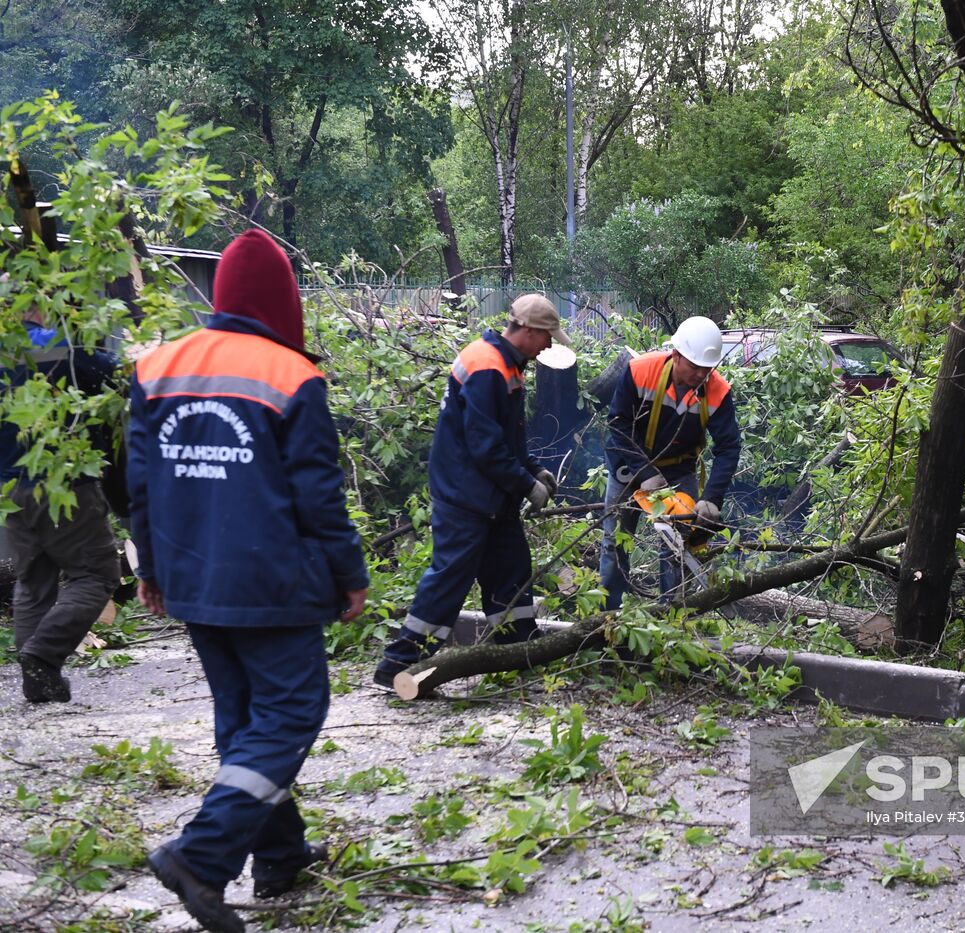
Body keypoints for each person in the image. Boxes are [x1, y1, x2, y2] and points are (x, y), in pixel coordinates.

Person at [129, 229, 369, 933]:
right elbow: (319, 498)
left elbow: (139, 484)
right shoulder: (291, 376)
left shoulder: (155, 367)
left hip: (192, 579)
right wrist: (349, 576)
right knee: (291, 714)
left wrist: (151, 567)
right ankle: (201, 858)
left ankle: (280, 855)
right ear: (284, 302)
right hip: (273, 585)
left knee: (243, 720)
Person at [373, 294, 568, 689]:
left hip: (491, 494)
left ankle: (519, 648)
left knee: (511, 570)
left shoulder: (508, 365)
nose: (549, 345)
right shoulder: (487, 366)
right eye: (547, 337)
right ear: (528, 331)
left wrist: (534, 469)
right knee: (451, 577)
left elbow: (506, 437)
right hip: (466, 494)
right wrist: (526, 484)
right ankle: (399, 664)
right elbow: (484, 447)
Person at [1, 306, 121, 702]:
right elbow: (120, 379)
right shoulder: (58, 346)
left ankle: (39, 682)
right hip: (64, 483)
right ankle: (43, 654)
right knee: (97, 574)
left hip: (10, 489)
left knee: (34, 583)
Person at [601, 316, 741, 609]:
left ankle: (673, 615)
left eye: (708, 368)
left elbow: (728, 447)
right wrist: (646, 472)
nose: (701, 374)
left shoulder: (717, 391)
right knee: (616, 540)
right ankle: (608, 615)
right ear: (676, 355)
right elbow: (618, 423)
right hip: (629, 464)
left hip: (679, 468)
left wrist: (711, 499)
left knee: (679, 543)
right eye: (695, 366)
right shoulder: (641, 371)